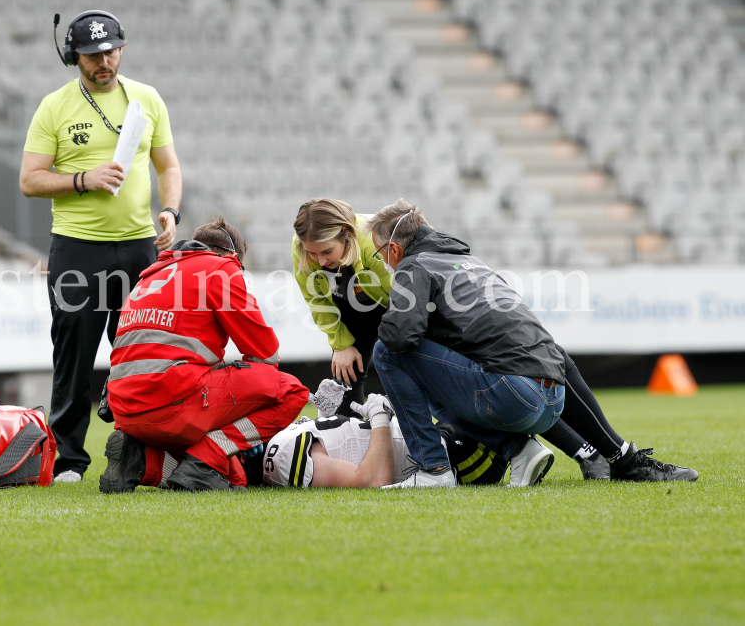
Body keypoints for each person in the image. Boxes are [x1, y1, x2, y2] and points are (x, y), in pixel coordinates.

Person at [367, 200, 699, 488]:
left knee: (388, 352)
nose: (383, 261)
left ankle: (434, 469)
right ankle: (621, 457)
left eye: (380, 253)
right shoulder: (471, 263)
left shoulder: (414, 265)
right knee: (545, 352)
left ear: (394, 249)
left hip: (511, 400)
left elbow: (400, 336)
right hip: (554, 400)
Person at [19, 10, 183, 483]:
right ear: (74, 57)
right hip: (77, 249)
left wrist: (171, 212)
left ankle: (150, 452)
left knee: (144, 353)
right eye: (92, 54)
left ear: (122, 49)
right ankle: (70, 460)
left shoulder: (147, 99)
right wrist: (83, 179)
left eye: (111, 50)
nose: (104, 60)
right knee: (73, 354)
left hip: (138, 247)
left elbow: (168, 167)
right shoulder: (55, 106)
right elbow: (30, 180)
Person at [99, 219, 331, 492]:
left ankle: (139, 459)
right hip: (173, 402)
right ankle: (203, 460)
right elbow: (266, 354)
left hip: (125, 412)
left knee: (234, 479)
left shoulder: (148, 276)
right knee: (290, 391)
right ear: (232, 256)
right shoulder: (221, 268)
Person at [259, 394, 508, 489]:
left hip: (431, 437)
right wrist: (380, 416)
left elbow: (343, 446)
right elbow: (372, 480)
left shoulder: (280, 445)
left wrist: (326, 416)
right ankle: (522, 446)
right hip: (449, 456)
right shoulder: (284, 455)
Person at [292, 199, 392, 414]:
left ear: (347, 235)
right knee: (346, 377)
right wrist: (341, 344)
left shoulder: (374, 240)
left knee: (412, 367)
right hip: (352, 307)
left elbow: (402, 301)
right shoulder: (301, 244)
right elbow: (316, 300)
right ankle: (347, 439)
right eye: (312, 253)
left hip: (395, 304)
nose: (320, 261)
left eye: (327, 251)